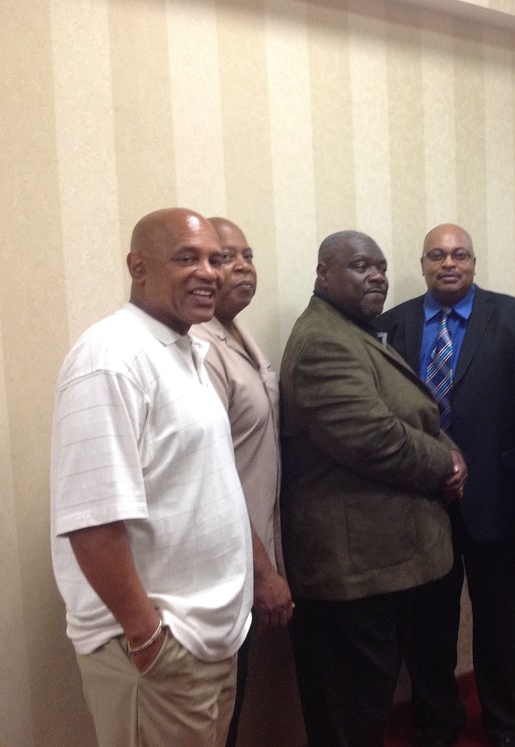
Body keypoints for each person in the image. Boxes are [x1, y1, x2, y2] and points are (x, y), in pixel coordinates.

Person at [50, 208, 253, 747]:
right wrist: (148, 639)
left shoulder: (187, 349)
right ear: (138, 267)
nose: (209, 272)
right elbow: (91, 521)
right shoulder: (110, 358)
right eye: (187, 258)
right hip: (157, 648)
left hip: (208, 639)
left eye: (215, 259)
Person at [280, 230, 467, 747]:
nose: (377, 277)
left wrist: (447, 447)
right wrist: (447, 462)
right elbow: (373, 438)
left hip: (376, 564)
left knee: (366, 708)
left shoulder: (351, 330)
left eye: (381, 267)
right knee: (350, 719)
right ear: (324, 274)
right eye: (361, 266)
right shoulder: (323, 342)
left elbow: (413, 411)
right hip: (350, 574)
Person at [378, 223, 515, 747]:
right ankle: (438, 719)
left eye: (460, 254)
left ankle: (506, 722)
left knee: (502, 624)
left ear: (474, 263)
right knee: (427, 625)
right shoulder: (392, 325)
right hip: (420, 503)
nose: (449, 263)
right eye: (437, 255)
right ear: (423, 265)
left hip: (500, 503)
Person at [191, 217, 293, 747]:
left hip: (252, 550)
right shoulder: (200, 347)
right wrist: (263, 571)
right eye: (226, 257)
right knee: (217, 709)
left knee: (236, 693)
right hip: (226, 559)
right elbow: (215, 476)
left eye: (247, 255)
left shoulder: (240, 336)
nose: (242, 267)